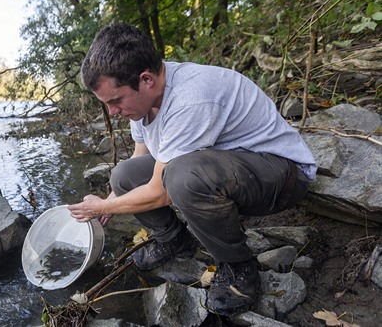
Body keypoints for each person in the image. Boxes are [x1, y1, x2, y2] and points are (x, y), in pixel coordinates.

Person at [67, 22, 317, 316]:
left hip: (283, 175)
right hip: (231, 166)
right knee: (124, 175)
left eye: (116, 101)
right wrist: (110, 201)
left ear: (145, 79)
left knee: (183, 176)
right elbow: (139, 160)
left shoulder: (190, 97)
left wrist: (101, 208)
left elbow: (160, 193)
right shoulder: (142, 100)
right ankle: (174, 240)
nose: (112, 112)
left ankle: (239, 267)